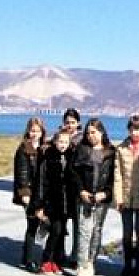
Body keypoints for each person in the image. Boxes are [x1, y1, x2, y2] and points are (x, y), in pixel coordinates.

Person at [70, 118, 116, 276]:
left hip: (102, 199)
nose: (90, 136)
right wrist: (81, 190)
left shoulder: (111, 152)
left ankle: (91, 262)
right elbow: (73, 172)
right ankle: (81, 266)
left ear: (101, 132)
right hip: (84, 197)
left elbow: (114, 177)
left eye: (93, 132)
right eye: (88, 133)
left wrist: (106, 193)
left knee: (97, 230)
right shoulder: (81, 150)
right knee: (84, 231)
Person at [113, 114, 139, 276]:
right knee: (127, 234)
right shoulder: (121, 148)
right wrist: (118, 198)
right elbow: (117, 175)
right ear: (128, 129)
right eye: (133, 129)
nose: (136, 132)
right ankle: (127, 266)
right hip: (126, 197)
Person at [33, 128, 74, 275]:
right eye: (60, 141)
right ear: (55, 142)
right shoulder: (48, 158)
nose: (63, 144)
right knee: (55, 230)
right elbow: (41, 182)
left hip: (66, 202)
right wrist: (39, 205)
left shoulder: (71, 157)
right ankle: (45, 260)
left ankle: (55, 261)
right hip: (52, 201)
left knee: (61, 232)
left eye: (66, 142)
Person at [13, 117, 46, 271]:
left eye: (37, 131)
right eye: (32, 131)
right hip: (30, 192)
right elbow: (22, 172)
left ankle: (45, 255)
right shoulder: (24, 149)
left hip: (43, 193)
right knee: (32, 225)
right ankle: (28, 260)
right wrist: (25, 193)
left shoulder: (45, 147)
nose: (35, 134)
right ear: (28, 131)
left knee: (45, 223)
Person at [61, 108, 83, 264]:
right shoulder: (59, 139)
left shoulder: (82, 141)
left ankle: (75, 254)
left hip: (75, 188)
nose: (69, 125)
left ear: (78, 123)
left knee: (77, 222)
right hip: (60, 186)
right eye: (67, 122)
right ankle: (59, 252)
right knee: (60, 221)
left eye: (73, 122)